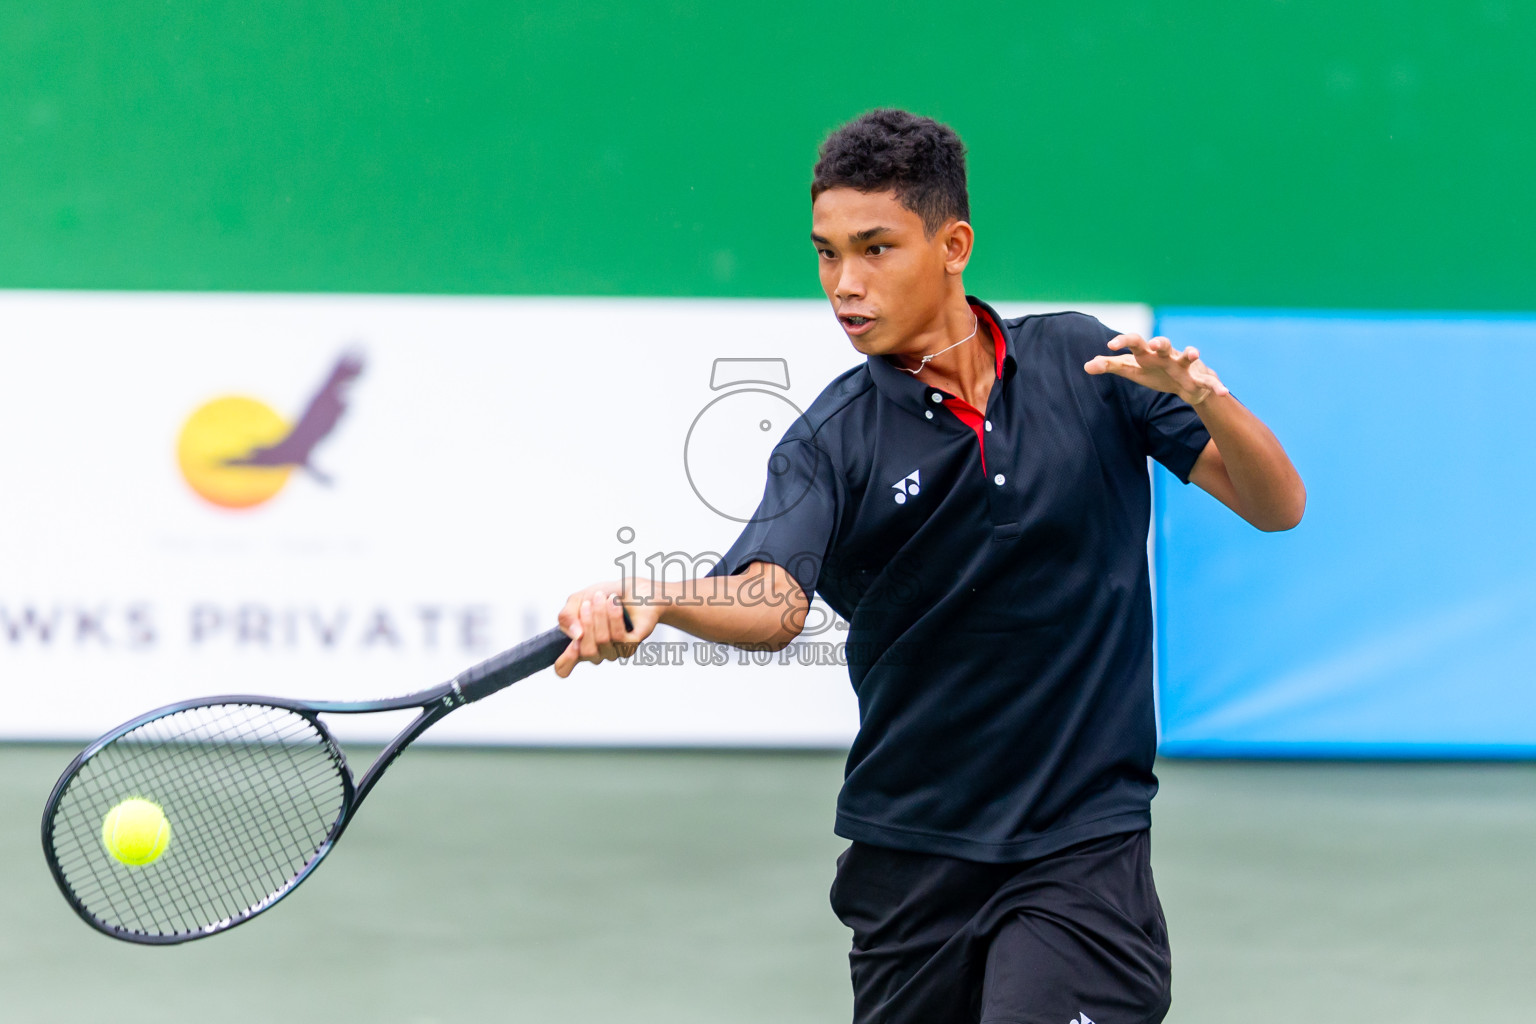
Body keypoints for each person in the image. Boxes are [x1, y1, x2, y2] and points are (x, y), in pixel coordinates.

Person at [553, 108, 1305, 1024]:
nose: (845, 285)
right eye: (827, 254)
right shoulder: (832, 442)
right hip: (913, 856)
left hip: (1081, 844)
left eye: (876, 249)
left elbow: (1277, 506)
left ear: (953, 244)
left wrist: (1206, 400)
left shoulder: (1084, 363)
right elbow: (772, 600)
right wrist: (657, 597)